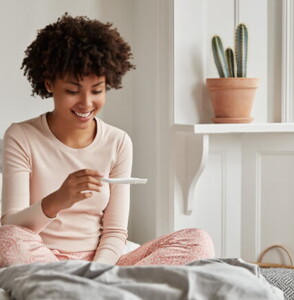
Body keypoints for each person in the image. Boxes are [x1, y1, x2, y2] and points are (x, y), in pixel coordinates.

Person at [0, 13, 215, 268]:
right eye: (72, 91)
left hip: (104, 263)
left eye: (97, 90)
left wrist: (98, 271)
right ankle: (100, 289)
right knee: (7, 240)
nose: (86, 103)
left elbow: (115, 233)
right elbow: (11, 226)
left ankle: (86, 288)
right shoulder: (21, 136)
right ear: (49, 84)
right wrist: (59, 199)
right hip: (42, 257)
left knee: (198, 241)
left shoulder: (117, 142)